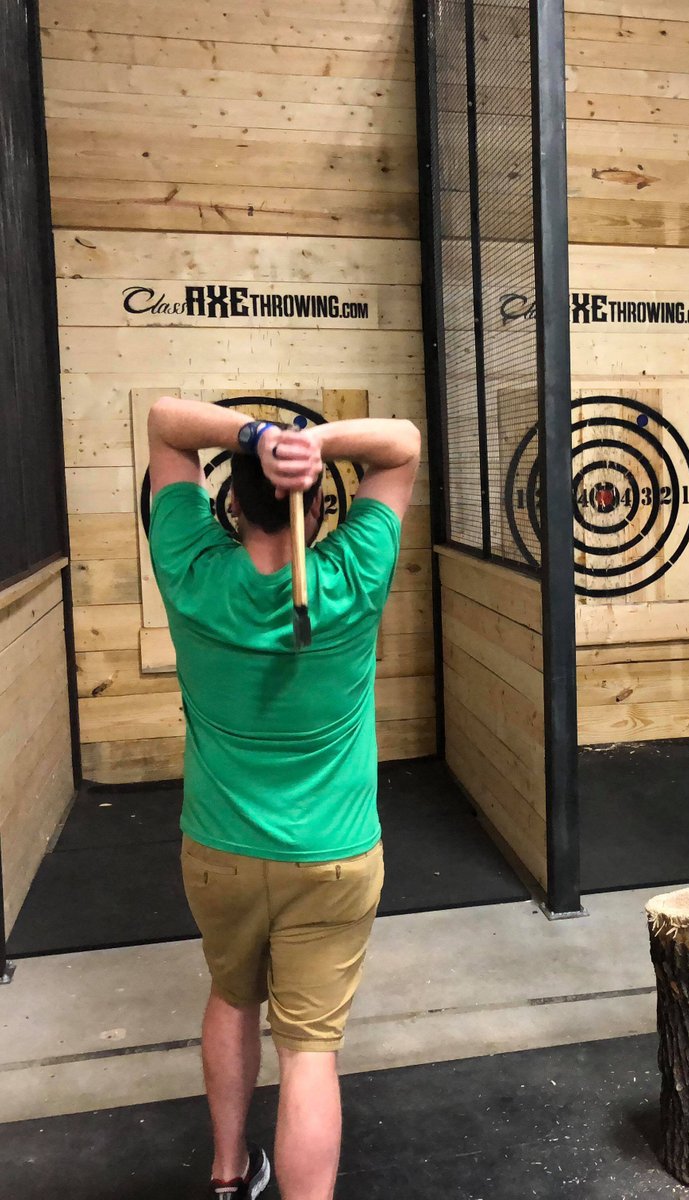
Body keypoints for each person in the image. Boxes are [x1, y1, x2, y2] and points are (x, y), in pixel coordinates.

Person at [147, 397, 421, 1198]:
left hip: (221, 854)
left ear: (231, 503)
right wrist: (316, 442)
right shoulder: (352, 573)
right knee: (307, 1051)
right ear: (319, 501)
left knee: (232, 999)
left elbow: (167, 422)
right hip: (332, 861)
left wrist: (253, 438)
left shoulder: (192, 572)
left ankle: (229, 1176)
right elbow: (402, 445)